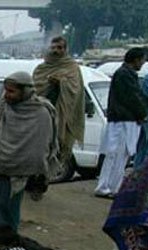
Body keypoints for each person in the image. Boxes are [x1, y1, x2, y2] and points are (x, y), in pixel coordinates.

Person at [0, 71, 57, 230]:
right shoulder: (4, 106)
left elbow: (40, 149)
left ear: (25, 91)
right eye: (6, 90)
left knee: (6, 215)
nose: (7, 95)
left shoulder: (41, 113)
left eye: (11, 91)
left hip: (16, 174)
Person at [96, 48, 148, 198]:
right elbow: (132, 97)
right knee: (117, 154)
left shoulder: (125, 74)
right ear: (136, 59)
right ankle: (108, 187)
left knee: (120, 155)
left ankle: (111, 186)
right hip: (123, 120)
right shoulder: (125, 75)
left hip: (124, 120)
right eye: (142, 60)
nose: (143, 63)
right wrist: (142, 113)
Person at [33, 36, 86, 169]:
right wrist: (48, 82)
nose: (56, 50)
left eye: (60, 48)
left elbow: (75, 89)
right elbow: (34, 87)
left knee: (57, 148)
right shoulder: (42, 68)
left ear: (65, 49)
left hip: (62, 115)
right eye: (54, 47)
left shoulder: (72, 67)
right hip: (42, 115)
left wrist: (61, 82)